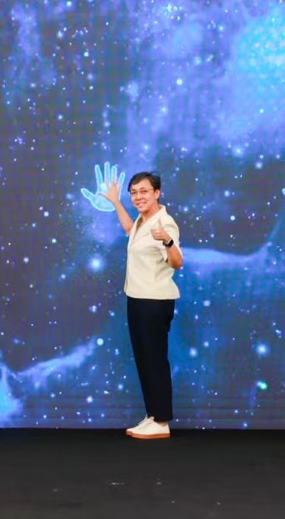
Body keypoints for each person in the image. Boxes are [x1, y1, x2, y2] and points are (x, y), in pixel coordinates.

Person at [98, 171, 183, 440]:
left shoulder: (164, 223)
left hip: (154, 301)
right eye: (134, 193)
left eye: (144, 191)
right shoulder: (142, 220)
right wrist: (116, 202)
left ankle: (162, 421)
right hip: (137, 298)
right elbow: (129, 230)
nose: (138, 197)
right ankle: (153, 415)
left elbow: (177, 262)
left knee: (154, 360)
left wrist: (167, 240)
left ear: (157, 193)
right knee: (144, 359)